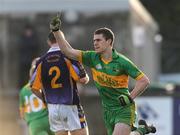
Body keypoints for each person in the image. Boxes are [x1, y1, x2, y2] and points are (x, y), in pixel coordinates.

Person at [49, 16, 156, 135]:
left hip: (123, 109)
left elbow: (144, 81)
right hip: (107, 110)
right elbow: (68, 51)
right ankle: (142, 130)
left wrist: (130, 97)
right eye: (94, 40)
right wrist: (56, 31)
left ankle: (141, 130)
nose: (95, 43)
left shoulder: (122, 62)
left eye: (98, 40)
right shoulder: (92, 57)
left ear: (109, 41)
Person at [31, 32, 89, 135]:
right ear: (63, 39)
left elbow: (34, 88)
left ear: (48, 42)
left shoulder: (40, 61)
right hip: (70, 106)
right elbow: (83, 79)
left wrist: (45, 100)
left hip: (53, 108)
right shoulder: (68, 57)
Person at [19, 57, 54, 135]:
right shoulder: (47, 85)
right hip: (50, 119)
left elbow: (22, 115)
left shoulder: (23, 90)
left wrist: (30, 119)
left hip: (34, 123)